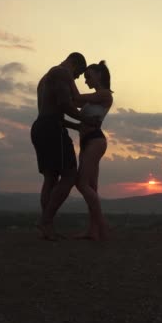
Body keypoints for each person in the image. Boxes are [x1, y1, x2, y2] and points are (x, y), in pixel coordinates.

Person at [30, 52, 98, 241]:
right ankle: (45, 220)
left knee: (50, 177)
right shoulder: (62, 73)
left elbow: (52, 111)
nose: (75, 79)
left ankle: (47, 228)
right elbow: (66, 105)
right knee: (69, 175)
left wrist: (76, 125)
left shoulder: (44, 79)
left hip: (41, 127)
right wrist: (86, 118)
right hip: (53, 130)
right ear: (75, 65)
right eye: (78, 76)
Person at [64, 61, 113, 241]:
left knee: (81, 183)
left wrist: (68, 77)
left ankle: (102, 225)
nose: (86, 80)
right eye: (84, 77)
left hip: (95, 141)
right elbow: (79, 118)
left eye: (88, 77)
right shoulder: (95, 97)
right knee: (91, 187)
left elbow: (76, 98)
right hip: (86, 141)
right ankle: (93, 231)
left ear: (99, 75)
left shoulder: (104, 95)